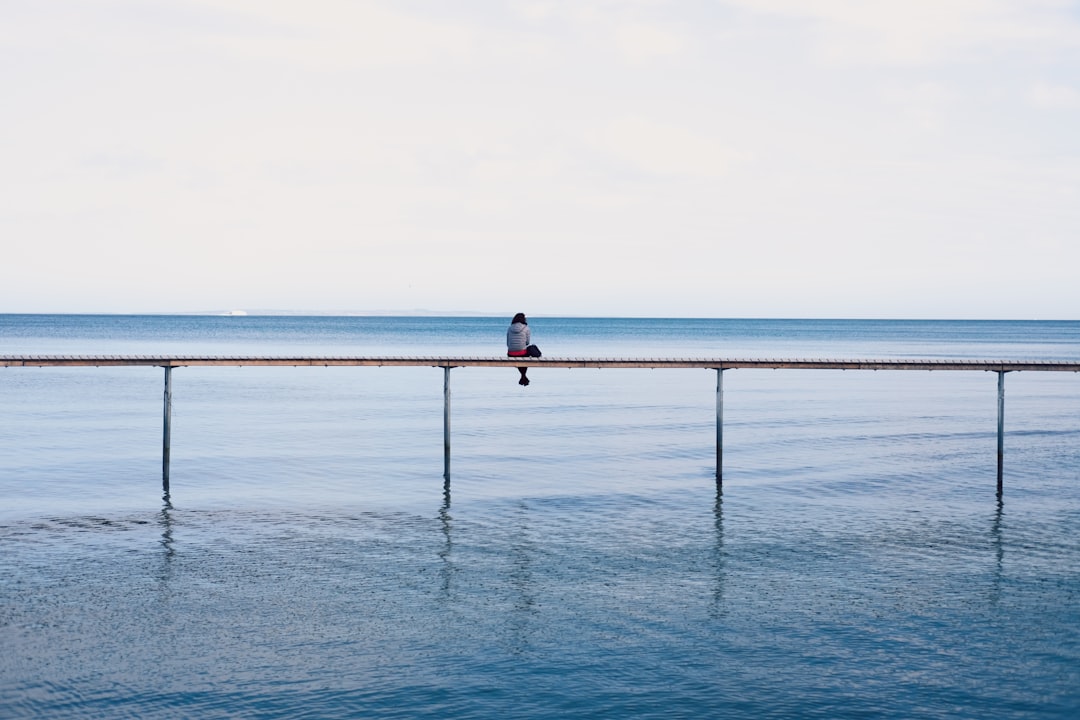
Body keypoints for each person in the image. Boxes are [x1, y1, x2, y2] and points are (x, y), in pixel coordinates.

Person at [506, 312, 532, 386]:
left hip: (511, 353)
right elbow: (527, 342)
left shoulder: (509, 328)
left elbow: (508, 343)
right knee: (526, 357)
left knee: (520, 358)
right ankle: (523, 376)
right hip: (522, 353)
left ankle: (523, 377)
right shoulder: (526, 328)